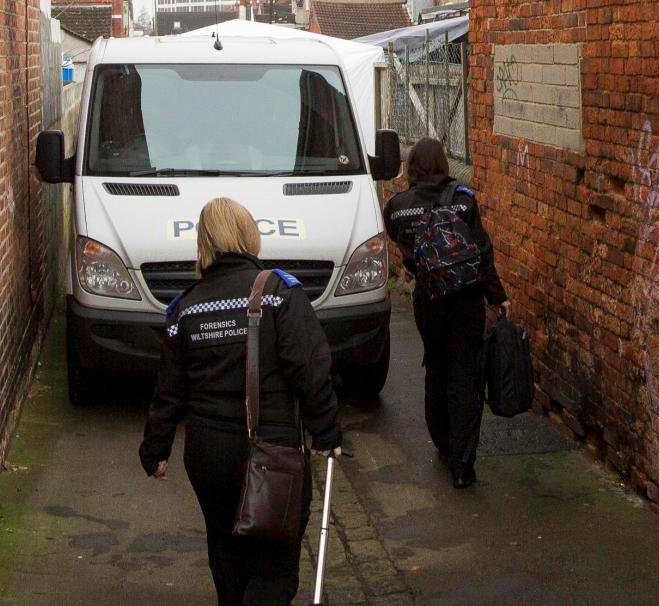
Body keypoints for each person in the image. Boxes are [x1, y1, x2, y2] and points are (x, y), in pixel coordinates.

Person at [139, 197, 343, 605]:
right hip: (273, 452)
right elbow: (311, 369)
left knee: (226, 551)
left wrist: (155, 449)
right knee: (275, 565)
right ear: (248, 235)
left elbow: (169, 391)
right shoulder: (279, 293)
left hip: (208, 455)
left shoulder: (185, 309)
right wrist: (326, 433)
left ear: (204, 244)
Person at [383, 138, 510, 489]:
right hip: (466, 302)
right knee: (465, 377)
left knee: (435, 368)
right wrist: (498, 297)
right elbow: (483, 253)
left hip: (429, 302)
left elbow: (404, 250)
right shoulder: (463, 201)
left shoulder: (397, 207)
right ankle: (462, 464)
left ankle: (442, 443)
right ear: (443, 163)